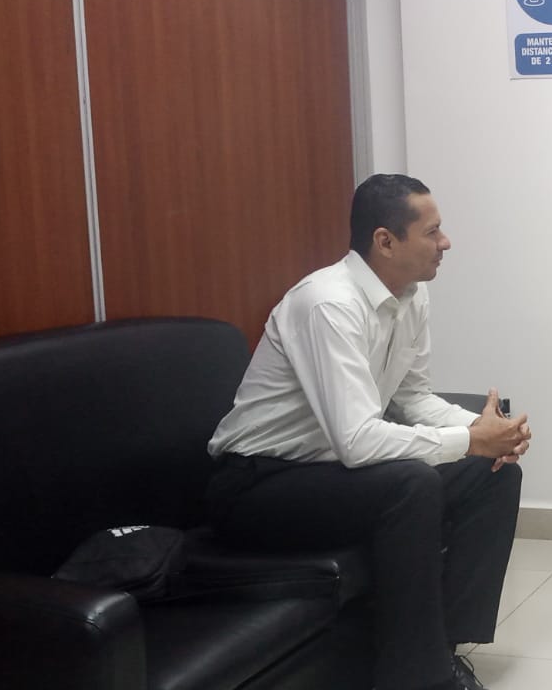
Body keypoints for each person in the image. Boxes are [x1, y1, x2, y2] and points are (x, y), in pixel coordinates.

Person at [205, 173, 532, 690]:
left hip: (329, 470)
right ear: (385, 241)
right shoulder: (327, 303)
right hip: (256, 485)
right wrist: (469, 440)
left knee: (492, 473)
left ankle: (443, 648)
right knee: (412, 483)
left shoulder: (411, 296)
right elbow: (357, 441)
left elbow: (412, 398)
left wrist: (484, 430)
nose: (446, 243)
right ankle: (415, 678)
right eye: (432, 232)